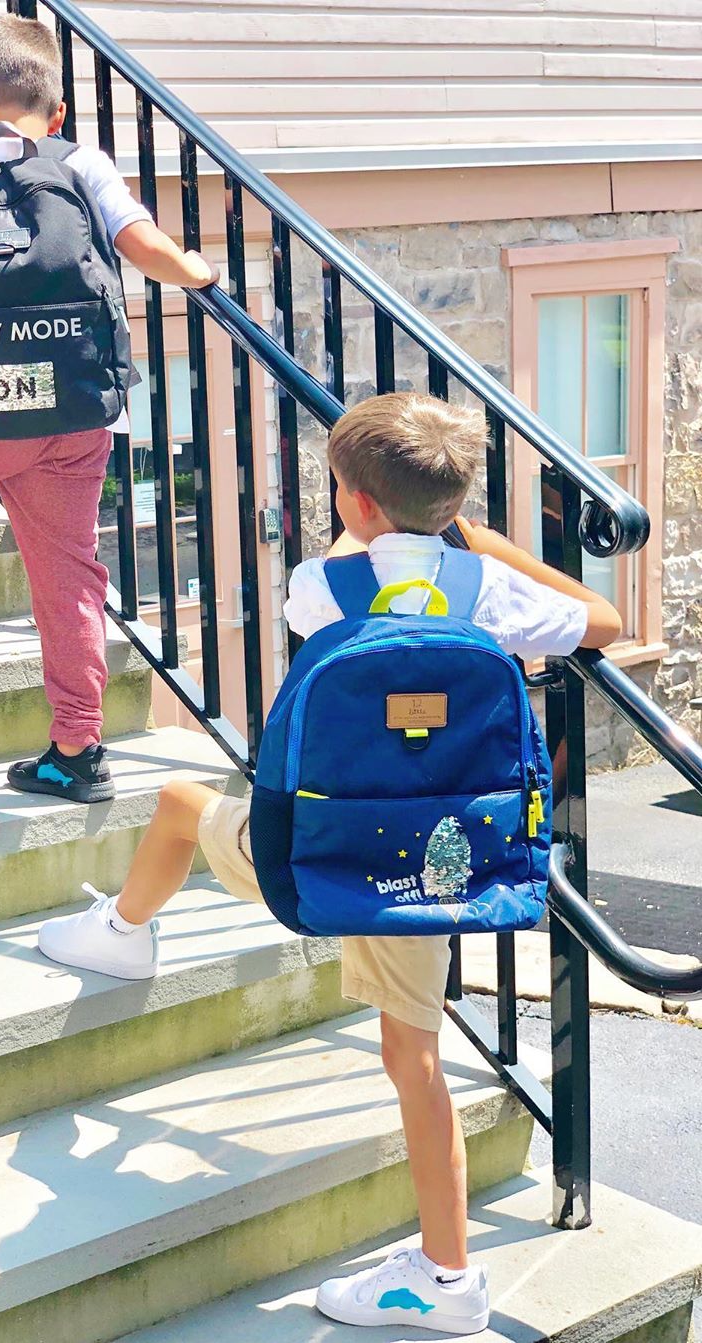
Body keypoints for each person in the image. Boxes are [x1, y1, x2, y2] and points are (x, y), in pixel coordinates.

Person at [38, 392, 623, 1334]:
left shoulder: (319, 587)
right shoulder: (491, 593)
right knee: (415, 1058)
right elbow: (600, 617)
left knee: (184, 804)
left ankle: (121, 933)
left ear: (353, 504)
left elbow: (340, 601)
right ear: (457, 502)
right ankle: (446, 1273)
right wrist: (479, 547)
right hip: (432, 863)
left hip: (319, 849)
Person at [0, 14, 217, 804]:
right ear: (56, 112)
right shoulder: (82, 162)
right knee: (68, 578)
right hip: (75, 412)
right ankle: (77, 748)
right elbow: (139, 243)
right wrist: (193, 271)